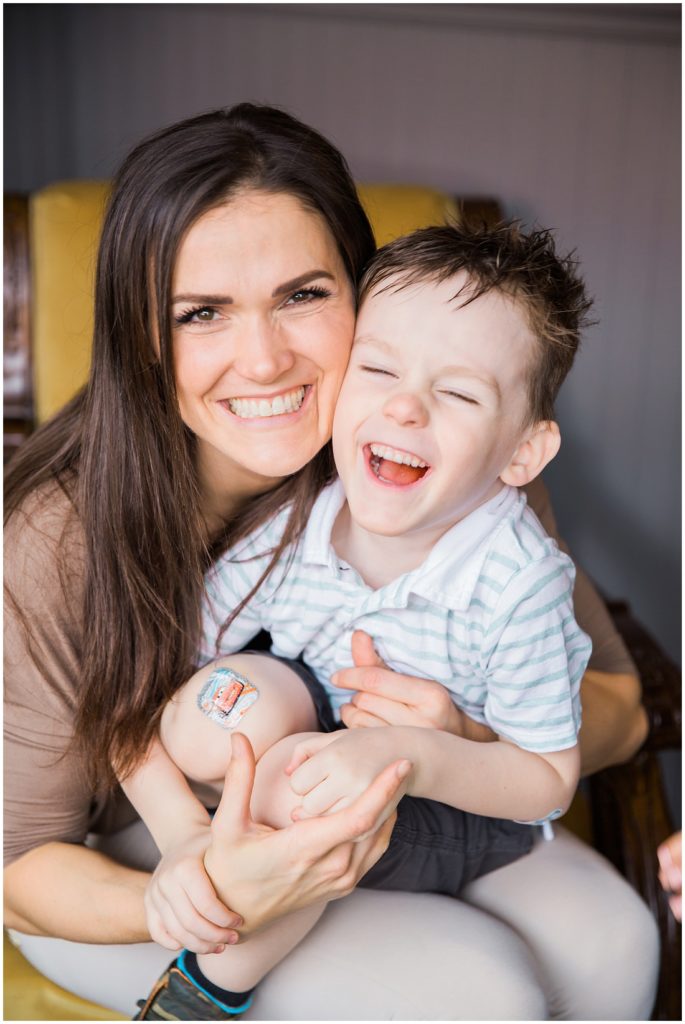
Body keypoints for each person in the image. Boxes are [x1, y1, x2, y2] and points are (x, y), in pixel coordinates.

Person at [3, 103, 658, 1021]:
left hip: (405, 805)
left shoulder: (448, 449)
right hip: (128, 857)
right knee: (481, 992)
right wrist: (183, 887)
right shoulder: (54, 536)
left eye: (304, 295)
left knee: (613, 939)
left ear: (367, 290)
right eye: (201, 313)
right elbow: (20, 865)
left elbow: (617, 712)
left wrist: (455, 738)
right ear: (140, 337)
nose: (264, 360)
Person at [129, 221, 593, 1020]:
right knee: (217, 708)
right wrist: (187, 836)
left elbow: (545, 782)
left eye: (456, 392)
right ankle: (246, 831)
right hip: (326, 716)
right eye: (376, 369)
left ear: (521, 452)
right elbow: (172, 682)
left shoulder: (518, 582)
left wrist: (411, 754)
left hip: (455, 801)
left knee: (301, 782)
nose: (404, 406)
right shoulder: (300, 516)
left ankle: (202, 994)